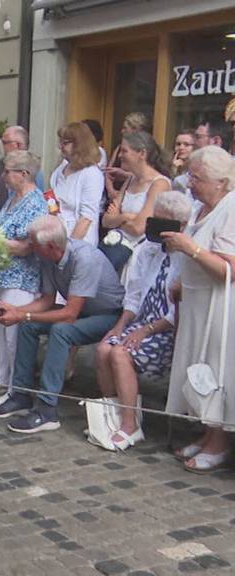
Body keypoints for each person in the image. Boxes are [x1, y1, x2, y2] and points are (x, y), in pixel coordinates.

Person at [0, 216, 125, 433]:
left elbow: (69, 314)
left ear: (50, 246)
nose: (30, 247)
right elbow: (47, 301)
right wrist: (17, 312)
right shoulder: (48, 259)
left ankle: (47, 409)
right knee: (28, 326)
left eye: (33, 243)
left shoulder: (84, 259)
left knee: (61, 331)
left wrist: (23, 315)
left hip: (109, 315)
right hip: (83, 312)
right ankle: (21, 394)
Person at [95, 191, 192, 451]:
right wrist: (120, 325)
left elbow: (178, 311)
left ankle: (130, 425)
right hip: (142, 322)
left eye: (162, 221)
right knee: (105, 347)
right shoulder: (147, 249)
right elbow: (134, 296)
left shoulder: (187, 257)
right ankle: (115, 414)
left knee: (120, 354)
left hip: (168, 330)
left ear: (180, 226)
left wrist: (145, 331)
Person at [163, 146, 235, 473]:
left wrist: (188, 248)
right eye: (190, 175)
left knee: (216, 371)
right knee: (198, 367)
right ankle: (208, 434)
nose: (190, 183)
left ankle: (219, 443)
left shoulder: (231, 207)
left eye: (197, 177)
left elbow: (227, 269)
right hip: (195, 300)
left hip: (218, 306)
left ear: (221, 181)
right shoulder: (201, 208)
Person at [0, 151, 49, 403]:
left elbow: (27, 246)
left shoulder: (36, 203)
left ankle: (16, 390)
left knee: (13, 338)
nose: (4, 176)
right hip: (1, 274)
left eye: (8, 171)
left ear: (24, 174)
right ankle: (1, 381)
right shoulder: (11, 199)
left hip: (21, 277)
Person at [101, 130, 171, 270]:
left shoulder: (159, 184)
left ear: (142, 154)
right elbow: (105, 221)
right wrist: (126, 217)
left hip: (141, 259)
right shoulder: (130, 180)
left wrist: (117, 219)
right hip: (118, 253)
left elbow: (139, 228)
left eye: (124, 151)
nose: (120, 155)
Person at [50, 122, 105, 247]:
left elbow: (86, 218)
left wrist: (69, 249)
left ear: (80, 144)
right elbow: (53, 203)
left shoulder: (92, 174)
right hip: (56, 239)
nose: (60, 146)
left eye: (66, 143)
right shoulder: (60, 169)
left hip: (79, 243)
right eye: (61, 142)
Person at [0, 125, 45, 190]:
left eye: (5, 142)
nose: (1, 146)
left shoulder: (32, 169)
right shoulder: (5, 165)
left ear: (18, 145)